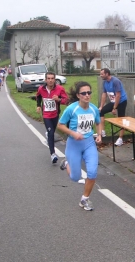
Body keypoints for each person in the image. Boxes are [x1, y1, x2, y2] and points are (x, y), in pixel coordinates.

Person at [57, 81, 102, 211]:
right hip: (73, 145)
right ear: (78, 95)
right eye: (84, 93)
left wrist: (99, 135)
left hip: (89, 144)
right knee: (75, 177)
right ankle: (66, 164)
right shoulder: (72, 109)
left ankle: (84, 200)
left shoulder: (94, 108)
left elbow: (98, 123)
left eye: (89, 92)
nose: (87, 95)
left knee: (92, 172)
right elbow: (60, 125)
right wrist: (73, 133)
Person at [36, 71, 68, 164]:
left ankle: (49, 134)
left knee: (52, 131)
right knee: (51, 133)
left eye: (52, 78)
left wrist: (58, 99)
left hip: (55, 114)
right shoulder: (41, 89)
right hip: (46, 115)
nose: (50, 80)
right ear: (46, 80)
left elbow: (66, 100)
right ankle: (53, 154)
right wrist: (38, 105)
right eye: (48, 78)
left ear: (55, 79)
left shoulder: (60, 89)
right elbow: (38, 96)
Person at [98, 68, 128, 146]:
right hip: (113, 101)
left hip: (121, 101)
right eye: (100, 74)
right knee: (101, 111)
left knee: (121, 119)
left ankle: (120, 138)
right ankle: (102, 131)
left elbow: (118, 95)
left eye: (102, 74)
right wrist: (101, 106)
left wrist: (114, 108)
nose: (100, 75)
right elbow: (104, 95)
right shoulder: (104, 82)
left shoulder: (115, 81)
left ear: (107, 74)